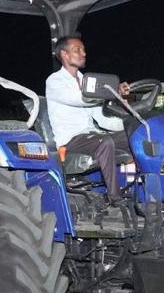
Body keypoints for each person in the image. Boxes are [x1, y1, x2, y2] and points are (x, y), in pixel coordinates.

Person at [45, 35, 131, 202]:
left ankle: (142, 190)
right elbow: (79, 99)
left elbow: (103, 119)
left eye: (84, 50)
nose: (83, 53)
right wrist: (112, 90)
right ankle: (115, 198)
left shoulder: (86, 81)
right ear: (64, 54)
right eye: (78, 50)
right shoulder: (54, 81)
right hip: (70, 140)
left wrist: (128, 123)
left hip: (92, 135)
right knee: (105, 141)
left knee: (135, 136)